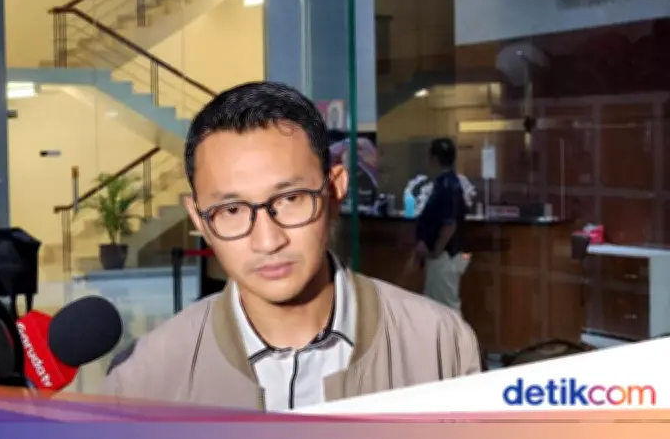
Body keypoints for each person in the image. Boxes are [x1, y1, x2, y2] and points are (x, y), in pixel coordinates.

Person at [102, 82, 481, 411]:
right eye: (231, 210)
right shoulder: (143, 378)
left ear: (335, 190)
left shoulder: (439, 344)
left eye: (291, 199)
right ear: (199, 219)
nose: (268, 241)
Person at [411, 138, 470, 312]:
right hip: (443, 256)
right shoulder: (447, 184)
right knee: (437, 305)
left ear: (434, 158)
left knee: (445, 307)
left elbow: (449, 225)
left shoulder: (447, 186)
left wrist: (436, 250)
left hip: (444, 257)